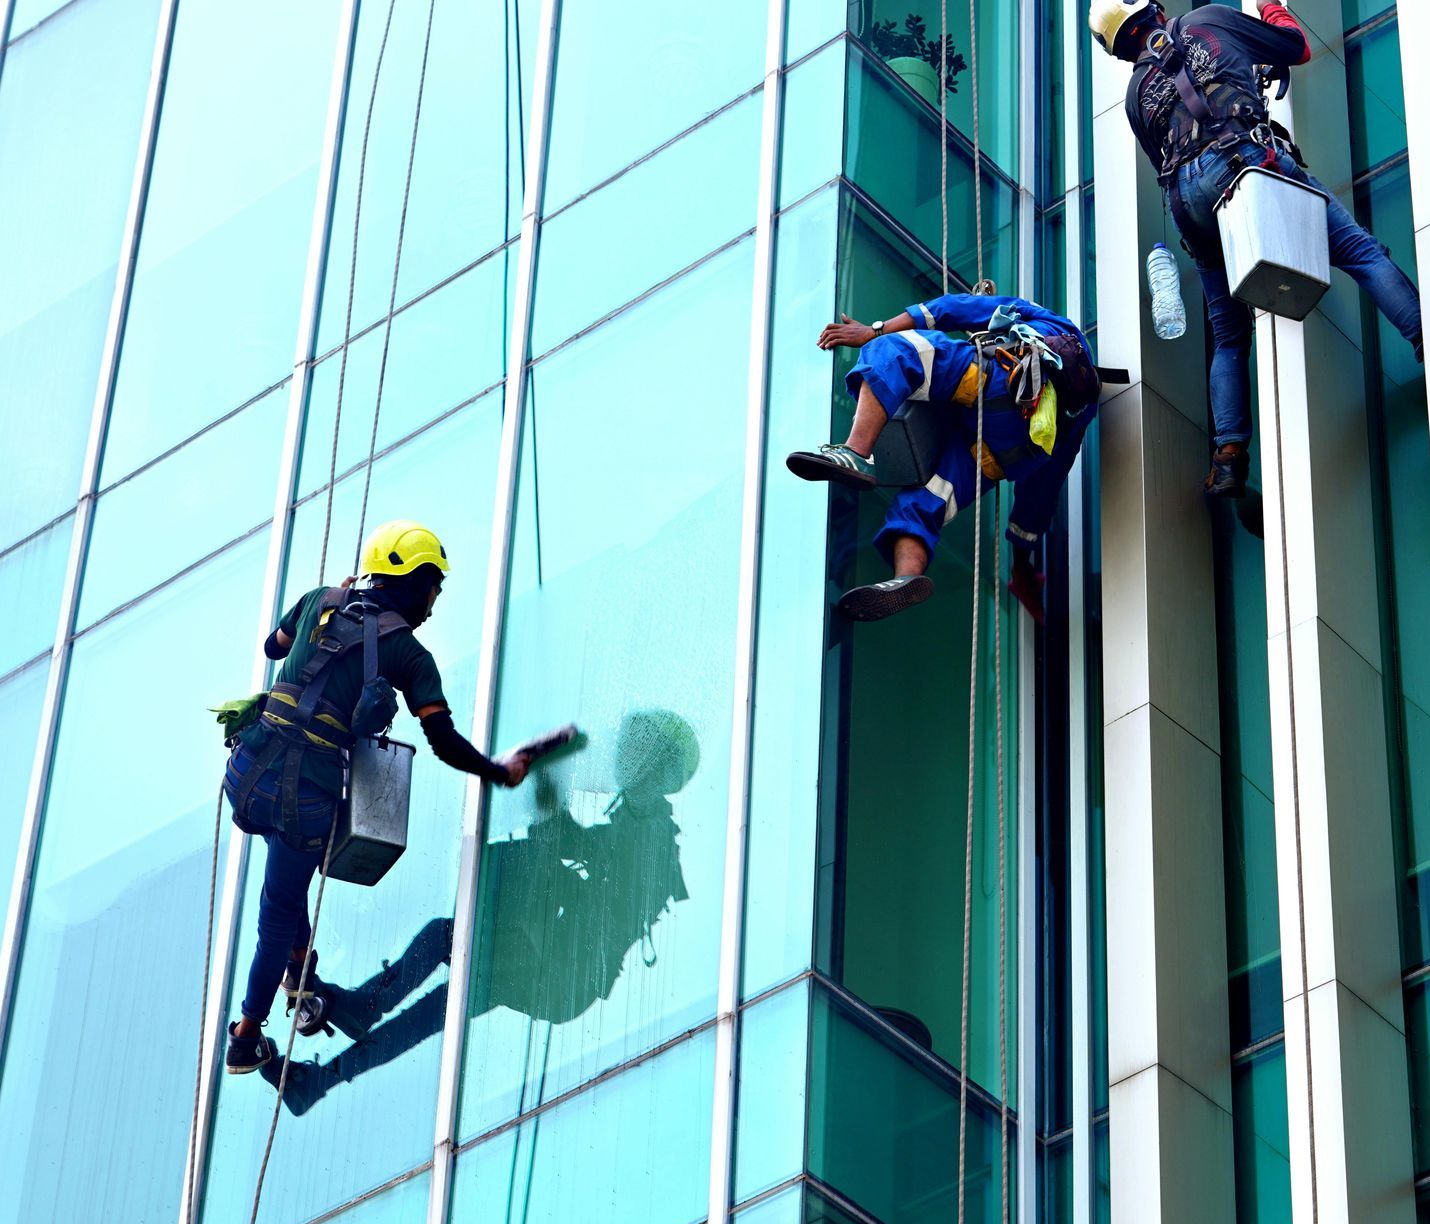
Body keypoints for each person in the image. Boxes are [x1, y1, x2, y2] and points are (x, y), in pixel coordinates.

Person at [220, 520, 533, 1079]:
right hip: (303, 798)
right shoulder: (409, 654)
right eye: (433, 584)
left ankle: (298, 970)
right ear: (410, 580)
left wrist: (330, 611)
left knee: (284, 887)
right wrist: (497, 771)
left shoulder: (321, 599)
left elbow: (273, 647)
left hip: (248, 774)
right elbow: (443, 742)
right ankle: (246, 1035)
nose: (435, 601)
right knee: (278, 910)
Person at [269, 709, 697, 1116]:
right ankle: (318, 1081)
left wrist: (547, 772)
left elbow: (569, 847)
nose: (621, 757)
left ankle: (358, 1018)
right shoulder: (642, 827)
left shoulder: (652, 837)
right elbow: (571, 847)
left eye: (633, 750)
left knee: (442, 948)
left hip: (560, 968)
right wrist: (547, 774)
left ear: (654, 766)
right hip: (558, 969)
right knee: (442, 1003)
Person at [1090, 0, 1424, 496]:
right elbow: (1296, 48)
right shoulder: (1207, 21)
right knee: (1358, 252)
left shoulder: (1136, 98)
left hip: (1188, 204)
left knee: (1228, 334)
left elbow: (1170, 142)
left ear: (1118, 49)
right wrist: (1271, 8)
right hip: (1239, 162)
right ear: (1153, 8)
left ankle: (1229, 456)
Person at [786, 292, 1099, 623]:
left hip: (993, 384)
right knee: (926, 502)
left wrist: (875, 331)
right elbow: (1043, 487)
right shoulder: (1078, 412)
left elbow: (955, 308)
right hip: (1001, 453)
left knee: (896, 352)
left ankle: (855, 453)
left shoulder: (1051, 321)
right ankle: (907, 575)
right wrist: (1021, 560)